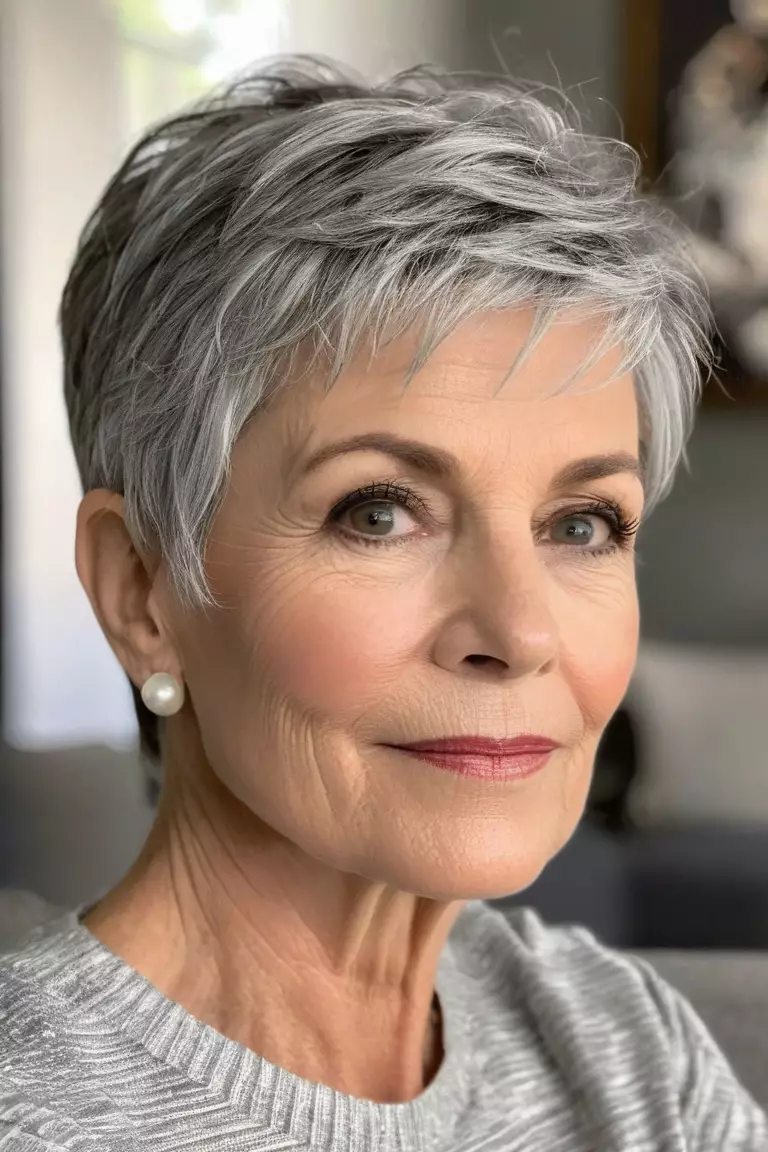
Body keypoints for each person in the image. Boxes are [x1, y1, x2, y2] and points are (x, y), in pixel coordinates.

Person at [0, 56, 764, 1152]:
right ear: (141, 591)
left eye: (582, 524)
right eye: (379, 512)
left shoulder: (627, 1052)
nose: (520, 632)